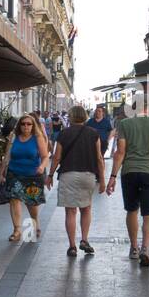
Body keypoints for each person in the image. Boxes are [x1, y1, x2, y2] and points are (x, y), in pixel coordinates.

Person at [107, 109, 149, 269]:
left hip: (130, 172)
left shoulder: (124, 124)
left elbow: (120, 152)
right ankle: (145, 248)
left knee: (132, 210)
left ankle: (133, 248)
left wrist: (112, 177)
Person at [47, 105, 105, 257]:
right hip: (88, 175)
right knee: (86, 208)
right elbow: (99, 158)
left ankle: (72, 246)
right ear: (85, 116)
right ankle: (84, 240)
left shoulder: (64, 133)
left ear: (71, 116)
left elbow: (57, 157)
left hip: (68, 174)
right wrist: (103, 180)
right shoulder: (94, 133)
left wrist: (50, 175)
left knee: (70, 211)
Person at [0, 113, 48, 241]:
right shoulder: (14, 137)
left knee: (31, 202)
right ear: (19, 125)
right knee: (14, 200)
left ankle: (35, 222)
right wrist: (2, 172)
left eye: (29, 124)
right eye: (23, 124)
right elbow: (7, 155)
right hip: (14, 173)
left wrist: (42, 167)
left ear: (33, 126)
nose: (26, 126)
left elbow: (45, 156)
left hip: (32, 175)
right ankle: (17, 230)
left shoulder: (37, 138)